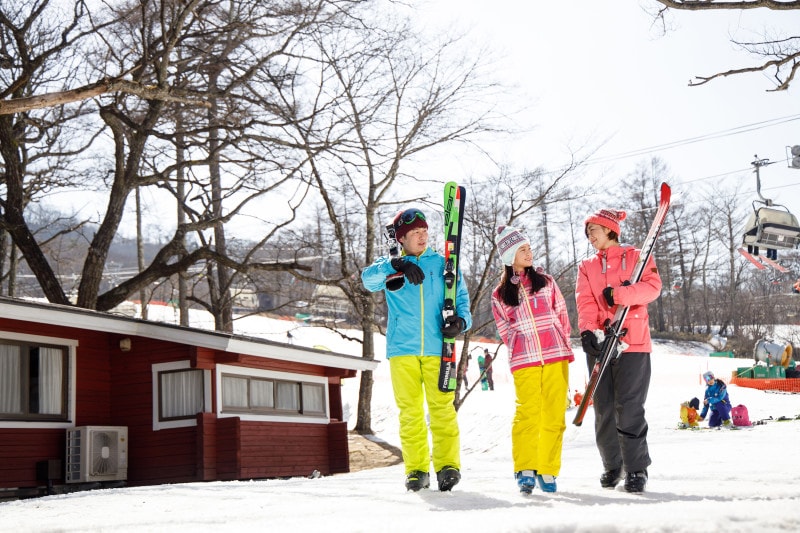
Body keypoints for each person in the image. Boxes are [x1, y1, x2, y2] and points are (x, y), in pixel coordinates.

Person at [361, 207, 472, 492]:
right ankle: (416, 470)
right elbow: (367, 280)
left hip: (439, 348)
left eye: (424, 231)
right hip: (403, 349)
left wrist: (460, 322)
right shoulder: (390, 267)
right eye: (415, 233)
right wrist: (394, 266)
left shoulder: (444, 263)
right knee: (410, 413)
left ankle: (448, 465)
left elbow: (461, 299)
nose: (422, 237)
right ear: (402, 239)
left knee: (442, 411)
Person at [575, 208, 662, 493]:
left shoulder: (636, 256)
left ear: (609, 229)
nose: (590, 236)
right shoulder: (587, 266)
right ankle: (613, 465)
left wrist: (621, 294)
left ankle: (636, 469)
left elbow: (652, 287)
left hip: (633, 342)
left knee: (629, 408)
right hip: (602, 343)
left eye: (593, 230)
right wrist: (588, 330)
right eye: (587, 232)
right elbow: (585, 300)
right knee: (603, 408)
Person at [491, 226, 575, 494]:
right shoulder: (500, 293)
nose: (529, 253)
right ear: (509, 256)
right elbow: (504, 329)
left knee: (554, 415)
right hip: (525, 359)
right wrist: (518, 347)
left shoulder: (546, 281)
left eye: (529, 248)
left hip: (555, 355)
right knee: (528, 413)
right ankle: (525, 468)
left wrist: (561, 340)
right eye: (522, 249)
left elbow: (561, 314)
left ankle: (548, 469)